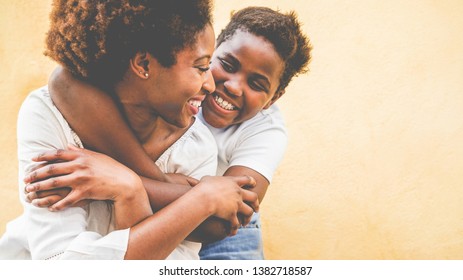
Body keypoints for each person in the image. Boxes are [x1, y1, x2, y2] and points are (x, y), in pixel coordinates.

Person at [25, 6, 312, 259]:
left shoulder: (260, 131)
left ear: (274, 98)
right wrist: (180, 189)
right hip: (194, 200)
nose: (231, 86)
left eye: (257, 84)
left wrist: (130, 182)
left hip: (225, 228)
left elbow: (229, 215)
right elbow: (64, 82)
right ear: (215, 52)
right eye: (222, 65)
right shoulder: (76, 100)